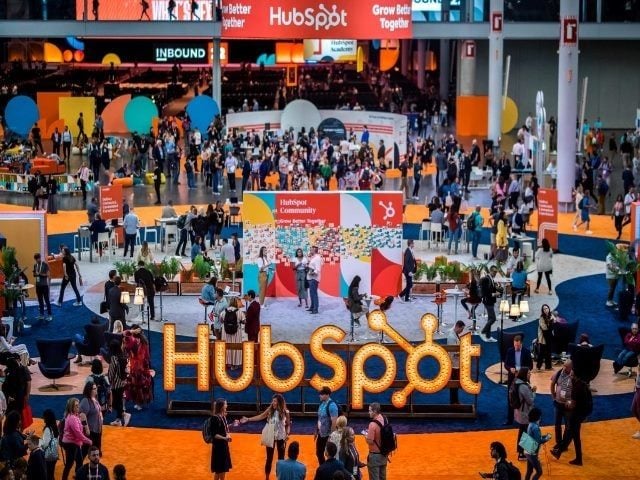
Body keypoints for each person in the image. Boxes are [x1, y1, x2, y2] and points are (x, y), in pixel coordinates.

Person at [240, 394, 291, 479]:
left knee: (281, 460)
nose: (273, 403)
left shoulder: (286, 412)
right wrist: (248, 419)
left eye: (275, 401)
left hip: (281, 437)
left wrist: (287, 434)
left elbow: (288, 425)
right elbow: (260, 416)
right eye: (273, 401)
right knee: (269, 458)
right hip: (270, 436)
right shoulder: (270, 410)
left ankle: (280, 477)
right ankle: (267, 477)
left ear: (280, 402)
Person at [551, 366, 590, 466]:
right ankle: (571, 456)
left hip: (576, 414)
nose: (571, 376)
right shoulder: (583, 384)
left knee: (571, 434)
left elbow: (572, 404)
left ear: (576, 375)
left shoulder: (576, 387)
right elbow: (587, 401)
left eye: (572, 375)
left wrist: (568, 403)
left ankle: (561, 452)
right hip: (581, 414)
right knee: (574, 436)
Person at [60, 398, 92, 480]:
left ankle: (78, 477)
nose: (78, 407)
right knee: (69, 464)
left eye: (78, 405)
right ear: (71, 407)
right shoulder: (72, 418)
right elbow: (78, 434)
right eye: (76, 406)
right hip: (71, 444)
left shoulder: (74, 416)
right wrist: (88, 441)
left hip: (74, 443)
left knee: (79, 462)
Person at [505, 335, 533, 425]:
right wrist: (510, 369)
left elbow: (531, 366)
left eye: (517, 345)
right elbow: (506, 364)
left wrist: (522, 370)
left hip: (522, 378)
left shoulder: (526, 352)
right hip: (512, 378)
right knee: (511, 397)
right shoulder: (510, 351)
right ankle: (509, 420)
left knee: (523, 398)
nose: (516, 347)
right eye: (515, 345)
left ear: (521, 344)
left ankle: (523, 420)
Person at [122, 328, 153, 411]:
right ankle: (140, 403)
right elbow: (148, 357)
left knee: (134, 386)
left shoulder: (133, 341)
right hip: (143, 367)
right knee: (142, 386)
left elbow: (124, 333)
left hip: (135, 368)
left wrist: (131, 331)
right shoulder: (144, 343)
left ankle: (135, 403)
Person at [513, 367, 536, 461]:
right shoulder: (523, 386)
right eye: (529, 373)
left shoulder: (517, 382)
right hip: (525, 413)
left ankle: (523, 452)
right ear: (524, 374)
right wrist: (533, 392)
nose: (530, 374)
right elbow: (530, 401)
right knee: (526, 433)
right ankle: (523, 454)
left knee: (523, 432)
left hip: (519, 411)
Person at [207, 398, 234, 480]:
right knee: (218, 471)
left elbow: (223, 429)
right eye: (225, 404)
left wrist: (233, 424)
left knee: (223, 469)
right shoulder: (215, 418)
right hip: (218, 447)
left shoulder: (223, 416)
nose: (227, 405)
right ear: (222, 406)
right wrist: (225, 438)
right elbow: (214, 434)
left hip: (224, 446)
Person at [522, 407, 551, 480]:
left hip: (527, 449)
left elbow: (535, 437)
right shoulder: (535, 427)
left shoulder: (530, 424)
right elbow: (538, 441)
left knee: (529, 470)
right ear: (538, 416)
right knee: (539, 472)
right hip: (532, 452)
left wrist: (544, 436)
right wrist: (547, 438)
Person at [108, 340, 130, 428]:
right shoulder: (124, 356)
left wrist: (109, 381)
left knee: (115, 402)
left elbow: (112, 372)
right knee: (119, 401)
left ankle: (124, 415)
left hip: (115, 383)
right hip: (123, 382)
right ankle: (118, 419)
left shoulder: (114, 358)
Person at [315, 386, 339, 466]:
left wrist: (331, 436)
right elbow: (320, 418)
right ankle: (323, 468)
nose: (319, 396)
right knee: (319, 453)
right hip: (321, 434)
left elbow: (334, 422)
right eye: (319, 394)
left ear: (327, 395)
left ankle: (330, 471)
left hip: (328, 435)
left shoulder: (332, 406)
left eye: (322, 394)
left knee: (330, 455)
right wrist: (316, 431)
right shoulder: (322, 404)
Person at [79, 381, 104, 455]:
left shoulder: (94, 399)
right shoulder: (85, 401)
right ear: (89, 390)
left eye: (96, 388)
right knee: (85, 451)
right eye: (94, 388)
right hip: (90, 431)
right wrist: (86, 428)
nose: (96, 390)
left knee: (96, 452)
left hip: (97, 430)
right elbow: (82, 415)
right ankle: (79, 465)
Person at [364, 402, 387, 480]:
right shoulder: (384, 419)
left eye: (370, 411)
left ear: (375, 411)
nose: (368, 412)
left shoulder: (372, 424)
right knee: (383, 477)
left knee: (374, 477)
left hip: (374, 455)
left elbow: (370, 441)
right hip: (384, 453)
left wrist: (366, 436)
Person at [221, 297, 245, 370]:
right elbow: (244, 321)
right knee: (236, 348)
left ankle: (228, 363)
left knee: (227, 347)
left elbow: (221, 320)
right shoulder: (239, 312)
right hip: (236, 332)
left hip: (226, 332)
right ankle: (235, 364)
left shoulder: (224, 311)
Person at [480, 265, 501, 342]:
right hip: (487, 301)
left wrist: (496, 292)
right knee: (493, 318)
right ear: (490, 271)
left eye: (496, 272)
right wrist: (495, 294)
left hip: (491, 301)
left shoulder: (491, 279)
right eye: (494, 272)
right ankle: (483, 332)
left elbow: (491, 289)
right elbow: (486, 292)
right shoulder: (486, 279)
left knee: (490, 318)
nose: (495, 273)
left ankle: (488, 336)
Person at [447, 321, 465, 405]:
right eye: (461, 329)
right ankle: (453, 402)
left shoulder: (454, 334)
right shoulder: (452, 337)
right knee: (454, 383)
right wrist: (463, 353)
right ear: (458, 326)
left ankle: (455, 401)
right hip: (454, 365)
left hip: (456, 364)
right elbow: (453, 352)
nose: (462, 331)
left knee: (456, 384)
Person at [40, 409, 59, 480]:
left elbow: (45, 444)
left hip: (48, 456)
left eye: (44, 417)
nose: (43, 418)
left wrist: (39, 443)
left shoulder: (48, 429)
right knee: (51, 474)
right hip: (54, 454)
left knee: (47, 475)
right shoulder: (55, 427)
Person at [32, 253, 52, 322]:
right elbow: (34, 274)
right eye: (36, 259)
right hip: (38, 286)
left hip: (44, 285)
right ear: (35, 259)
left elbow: (47, 274)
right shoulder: (35, 265)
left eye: (39, 258)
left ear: (40, 257)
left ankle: (49, 315)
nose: (38, 260)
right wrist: (35, 274)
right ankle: (41, 314)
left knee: (46, 301)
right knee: (40, 301)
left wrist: (39, 274)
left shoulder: (45, 264)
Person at [536, 305, 555, 370]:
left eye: (547, 308)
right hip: (544, 336)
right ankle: (538, 366)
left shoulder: (551, 315)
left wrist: (551, 323)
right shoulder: (541, 318)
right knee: (542, 352)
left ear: (549, 309)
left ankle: (548, 366)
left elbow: (554, 322)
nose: (546, 310)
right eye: (544, 309)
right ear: (542, 311)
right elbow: (544, 328)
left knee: (549, 352)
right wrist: (551, 323)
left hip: (549, 336)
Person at [307, 246, 322, 315]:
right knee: (311, 293)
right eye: (310, 249)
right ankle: (312, 307)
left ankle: (315, 309)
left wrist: (312, 273)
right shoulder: (312, 257)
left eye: (311, 249)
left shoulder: (317, 258)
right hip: (310, 278)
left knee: (314, 294)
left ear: (315, 250)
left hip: (314, 278)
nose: (310, 250)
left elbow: (318, 269)